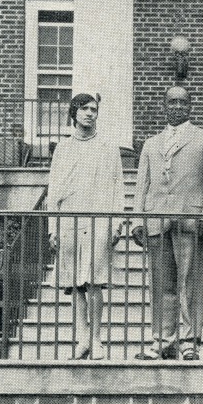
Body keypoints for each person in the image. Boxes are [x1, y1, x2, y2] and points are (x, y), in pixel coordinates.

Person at [133, 86, 203, 361]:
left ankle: (188, 341)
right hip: (158, 220)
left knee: (189, 283)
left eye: (182, 103)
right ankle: (162, 339)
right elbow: (141, 186)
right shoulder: (151, 143)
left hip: (191, 221)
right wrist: (139, 220)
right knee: (162, 285)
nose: (177, 107)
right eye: (171, 102)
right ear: (164, 106)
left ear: (190, 107)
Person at [47, 93, 125, 360]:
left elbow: (118, 187)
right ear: (74, 113)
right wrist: (52, 227)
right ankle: (82, 338)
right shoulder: (63, 148)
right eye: (84, 109)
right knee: (76, 284)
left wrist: (116, 222)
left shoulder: (107, 147)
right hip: (69, 219)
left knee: (94, 282)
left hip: (99, 220)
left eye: (94, 109)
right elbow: (54, 189)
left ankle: (96, 338)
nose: (90, 113)